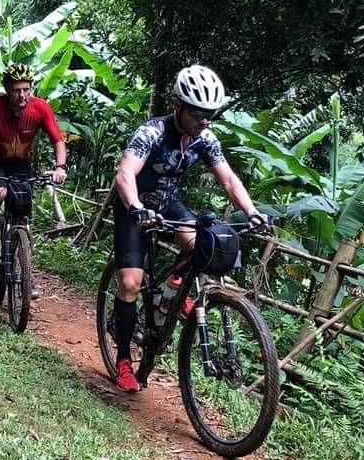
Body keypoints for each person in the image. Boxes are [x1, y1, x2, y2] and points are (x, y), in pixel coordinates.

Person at [110, 64, 269, 392]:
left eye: (210, 113)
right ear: (178, 105)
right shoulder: (151, 133)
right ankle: (124, 359)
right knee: (130, 283)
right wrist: (137, 207)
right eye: (198, 112)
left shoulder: (205, 140)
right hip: (134, 205)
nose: (204, 120)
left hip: (168, 203)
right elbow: (125, 175)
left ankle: (171, 295)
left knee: (205, 244)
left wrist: (252, 211)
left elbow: (228, 179)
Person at [0, 62, 68, 257]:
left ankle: (23, 266)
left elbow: (58, 140)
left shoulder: (41, 108)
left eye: (26, 90)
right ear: (7, 89)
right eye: (16, 90)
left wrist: (60, 167)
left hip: (20, 163)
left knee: (23, 211)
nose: (22, 95)